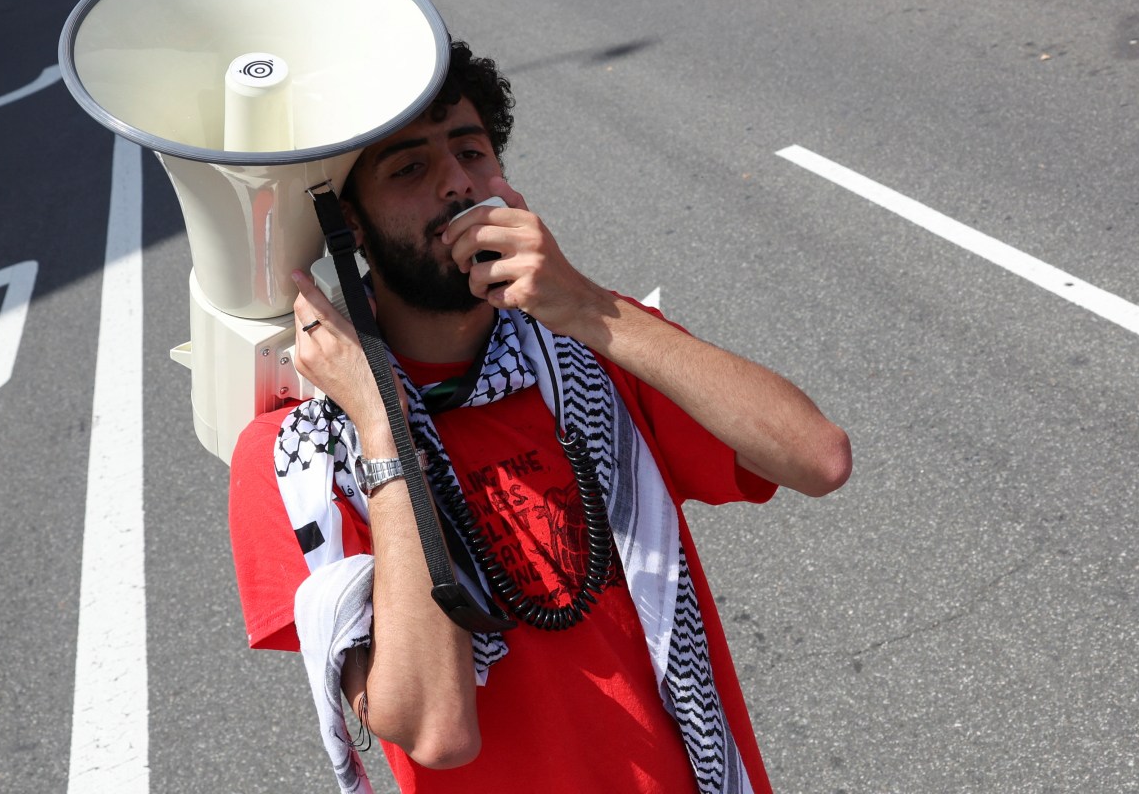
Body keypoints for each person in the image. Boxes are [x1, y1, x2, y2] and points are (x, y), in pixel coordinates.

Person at [227, 42, 850, 792]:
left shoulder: (598, 350)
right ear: (347, 223)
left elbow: (819, 459)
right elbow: (436, 729)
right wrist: (383, 426)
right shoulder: (297, 458)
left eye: (472, 151)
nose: (458, 183)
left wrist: (589, 306)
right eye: (410, 167)